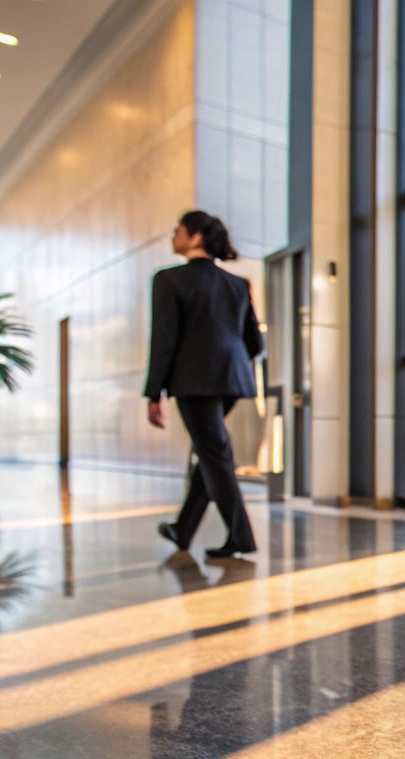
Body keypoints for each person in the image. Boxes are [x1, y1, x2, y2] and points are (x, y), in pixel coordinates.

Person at [143, 210, 264, 559]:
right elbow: (255, 343)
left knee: (214, 453)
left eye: (177, 230)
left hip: (194, 380)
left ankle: (241, 536)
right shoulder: (237, 284)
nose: (172, 236)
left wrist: (155, 393)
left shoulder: (169, 279)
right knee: (210, 451)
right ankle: (183, 529)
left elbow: (164, 340)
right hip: (232, 380)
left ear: (195, 237)